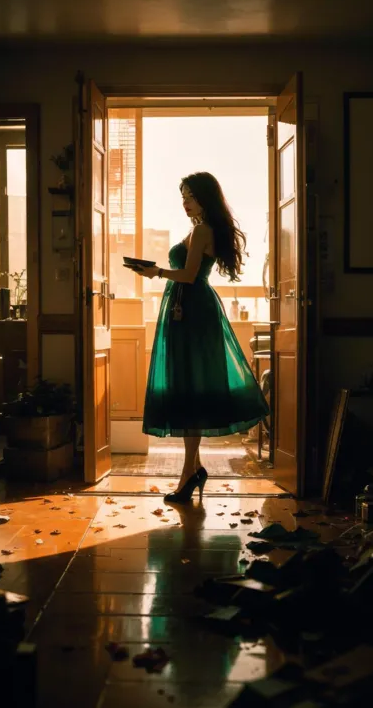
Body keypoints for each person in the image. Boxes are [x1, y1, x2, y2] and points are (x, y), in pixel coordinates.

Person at [134, 172, 269, 504]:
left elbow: (190, 276)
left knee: (190, 388)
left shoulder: (201, 230)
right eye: (182, 196)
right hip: (188, 310)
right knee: (187, 387)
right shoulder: (198, 229)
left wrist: (155, 272)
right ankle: (193, 469)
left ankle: (187, 475)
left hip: (193, 311)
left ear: (204, 197)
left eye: (190, 196)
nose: (185, 202)